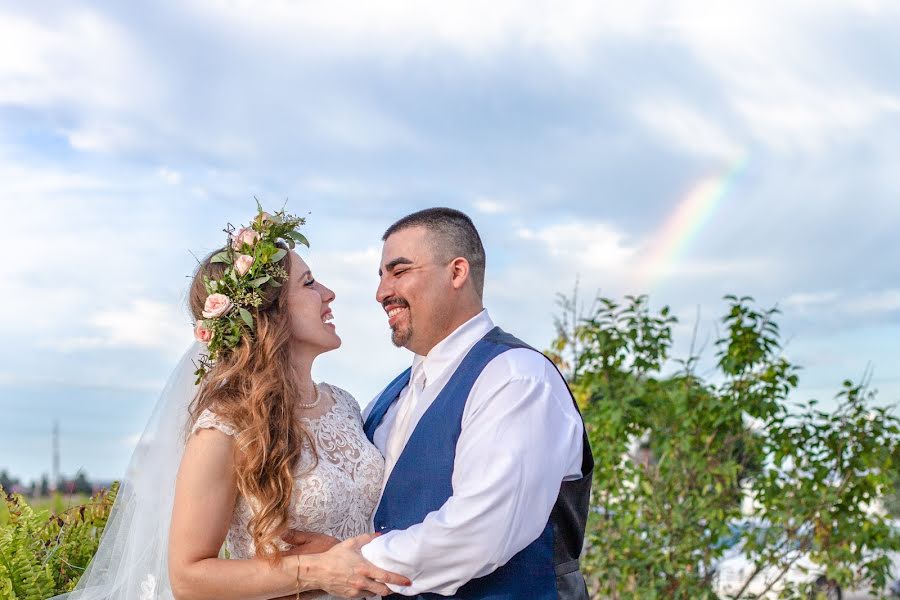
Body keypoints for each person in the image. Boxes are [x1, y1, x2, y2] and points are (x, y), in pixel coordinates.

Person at [52, 205, 409, 600]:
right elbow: (189, 577)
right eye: (308, 284)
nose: (328, 293)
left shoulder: (343, 404)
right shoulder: (225, 426)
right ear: (269, 314)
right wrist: (314, 570)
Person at [357, 207, 594, 598]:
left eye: (399, 272)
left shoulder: (515, 377)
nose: (382, 292)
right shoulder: (389, 398)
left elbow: (479, 532)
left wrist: (356, 562)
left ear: (457, 272)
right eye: (381, 276)